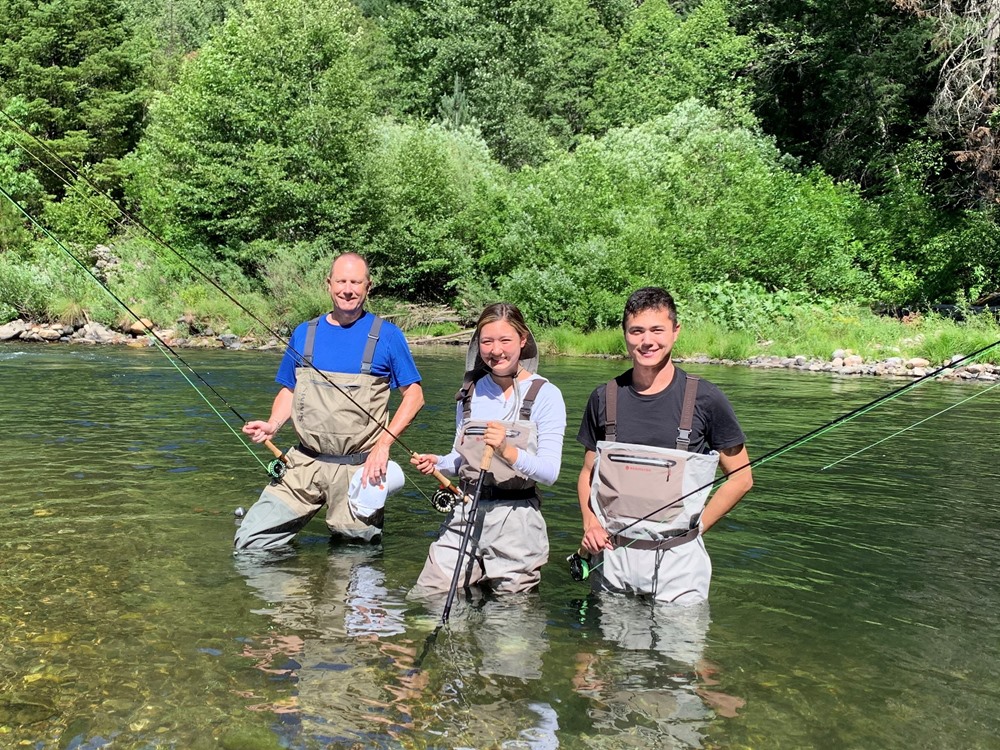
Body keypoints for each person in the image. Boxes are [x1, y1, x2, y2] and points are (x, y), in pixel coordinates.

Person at [235, 252, 424, 549]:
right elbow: (290, 389)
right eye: (341, 281)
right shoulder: (304, 333)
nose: (347, 289)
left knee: (354, 558)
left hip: (359, 470)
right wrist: (273, 425)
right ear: (329, 284)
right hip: (302, 465)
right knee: (250, 543)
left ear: (368, 287)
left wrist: (383, 446)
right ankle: (297, 595)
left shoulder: (387, 336)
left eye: (356, 282)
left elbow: (414, 396)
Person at [576, 287, 752, 603]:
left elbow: (741, 478)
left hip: (678, 562)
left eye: (657, 329)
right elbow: (588, 473)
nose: (647, 341)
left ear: (675, 331)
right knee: (605, 649)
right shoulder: (604, 397)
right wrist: (590, 525)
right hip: (612, 557)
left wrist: (697, 531)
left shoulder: (707, 399)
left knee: (682, 652)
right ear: (625, 334)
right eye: (637, 331)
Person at [409, 303, 566, 597]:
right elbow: (460, 460)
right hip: (465, 513)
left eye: (505, 340)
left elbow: (550, 472)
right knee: (427, 597)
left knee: (509, 627)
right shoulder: (469, 393)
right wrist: (439, 463)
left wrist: (508, 450)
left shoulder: (546, 394)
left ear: (522, 341)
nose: (496, 350)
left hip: (518, 521)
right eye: (487, 341)